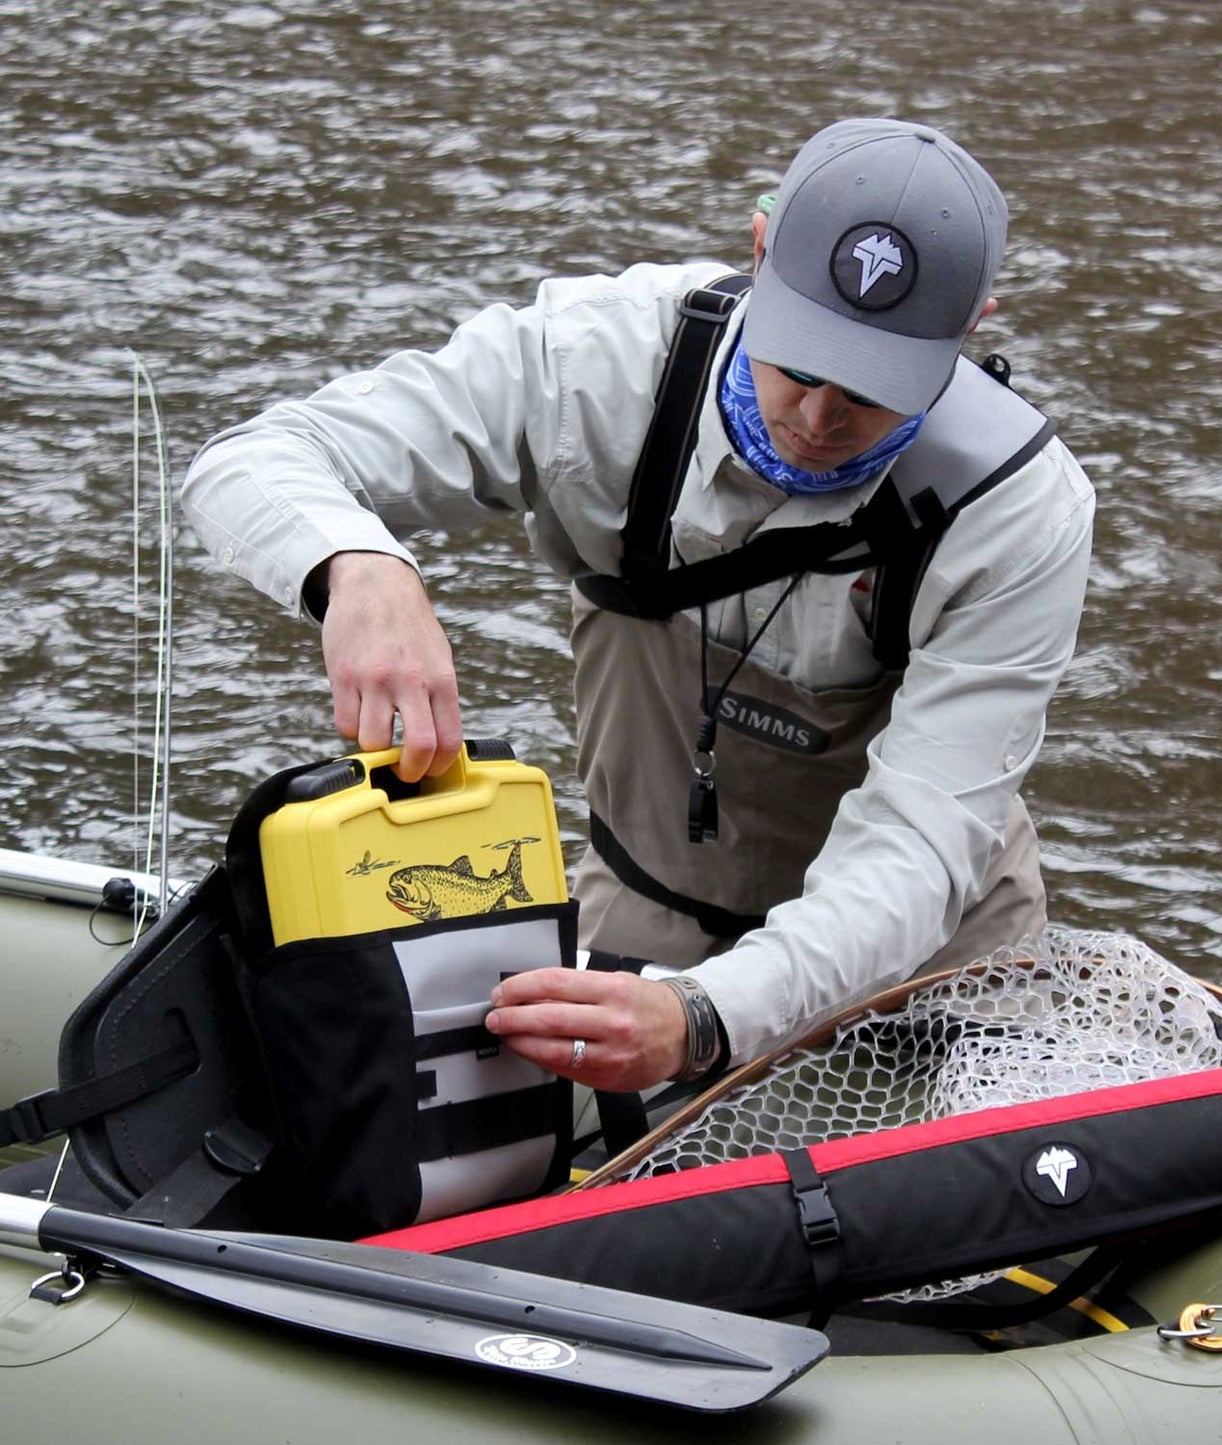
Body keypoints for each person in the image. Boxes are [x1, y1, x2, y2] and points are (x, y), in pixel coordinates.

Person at [181, 117, 1095, 1100]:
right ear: (757, 249)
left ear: (971, 326)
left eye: (871, 391)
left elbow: (917, 842)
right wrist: (357, 567)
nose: (819, 418)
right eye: (799, 363)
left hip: (929, 967)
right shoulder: (589, 359)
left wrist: (706, 1015)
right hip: (648, 914)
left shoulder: (1018, 510)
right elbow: (251, 458)